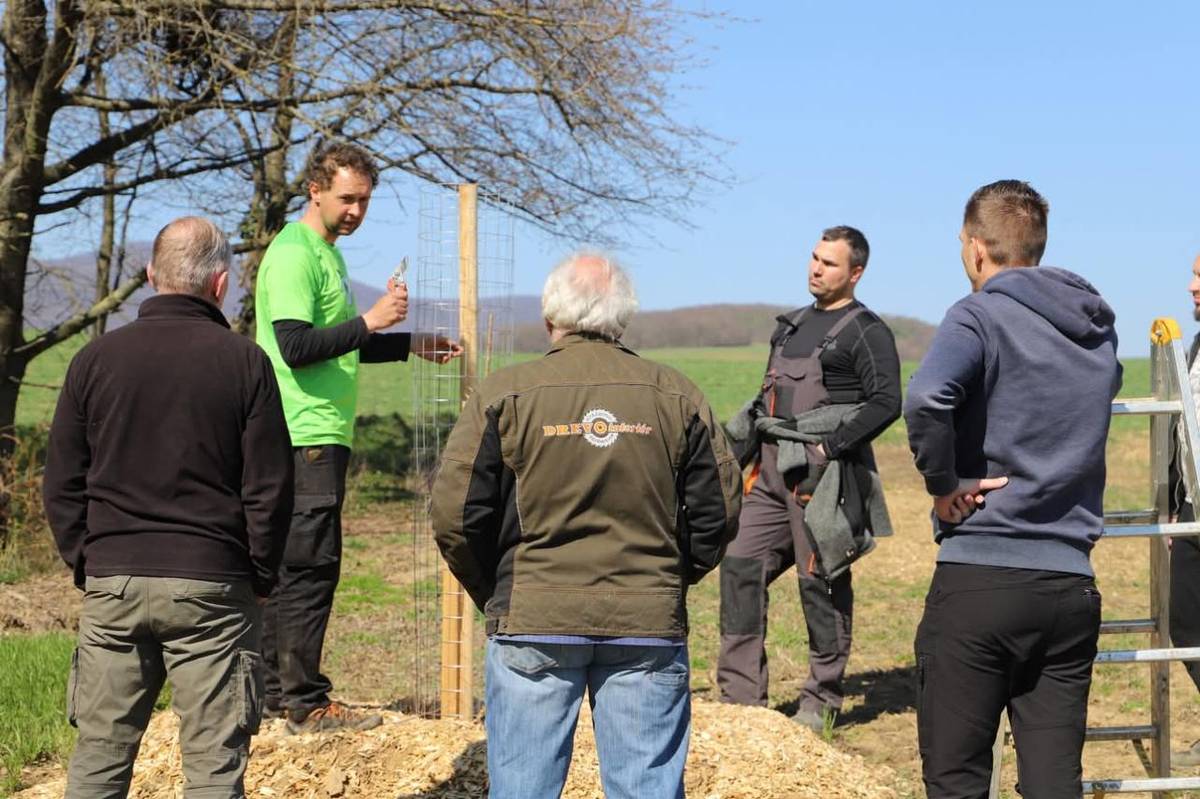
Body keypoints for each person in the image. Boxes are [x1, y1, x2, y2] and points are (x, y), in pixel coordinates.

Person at [431, 254, 741, 799]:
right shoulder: (677, 395)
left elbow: (456, 517)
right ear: (624, 317)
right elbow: (718, 512)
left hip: (534, 617)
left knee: (523, 789)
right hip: (646, 621)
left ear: (550, 315)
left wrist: (501, 591)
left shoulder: (505, 394)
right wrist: (666, 580)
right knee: (646, 788)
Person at [44, 217, 294, 798]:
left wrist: (89, 561)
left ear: (152, 275)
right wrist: (260, 574)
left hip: (114, 581)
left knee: (99, 758)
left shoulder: (93, 360)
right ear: (221, 284)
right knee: (212, 768)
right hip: (212, 583)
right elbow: (270, 487)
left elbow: (61, 481)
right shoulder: (245, 362)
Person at [905, 180, 1122, 797]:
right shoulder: (1095, 329)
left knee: (957, 777)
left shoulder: (978, 313)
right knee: (1054, 783)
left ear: (976, 248)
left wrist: (943, 483)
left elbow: (926, 397)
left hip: (982, 575)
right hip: (1070, 584)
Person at [255, 141, 461, 734]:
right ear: (315, 190)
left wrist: (408, 343)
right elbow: (296, 346)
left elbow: (339, 344)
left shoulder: (326, 254)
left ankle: (275, 696)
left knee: (293, 565)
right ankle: (304, 703)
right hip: (304, 432)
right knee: (310, 566)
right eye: (347, 198)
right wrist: (370, 319)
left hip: (315, 432)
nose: (355, 211)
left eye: (364, 201)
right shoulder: (295, 254)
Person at [717, 225, 901, 731]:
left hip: (822, 478)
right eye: (815, 258)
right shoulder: (790, 326)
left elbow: (887, 402)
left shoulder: (866, 331)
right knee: (739, 565)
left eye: (830, 263)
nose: (816, 269)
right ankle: (740, 700)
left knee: (819, 580)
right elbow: (766, 400)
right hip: (770, 473)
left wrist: (830, 446)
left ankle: (821, 700)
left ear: (855, 273)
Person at [1168, 254, 1200, 766]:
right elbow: (1184, 431)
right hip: (1193, 508)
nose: (1193, 286)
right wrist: (1175, 505)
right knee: (1187, 623)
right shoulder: (1194, 345)